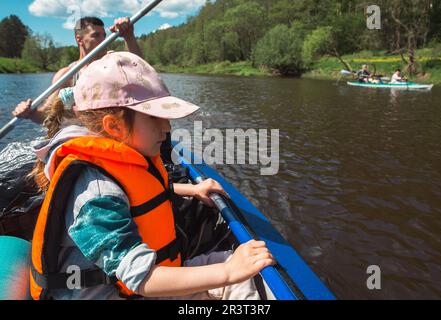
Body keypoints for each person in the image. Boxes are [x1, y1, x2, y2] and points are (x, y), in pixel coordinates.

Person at [29, 51, 274, 300]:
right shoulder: (96, 194)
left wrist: (191, 190)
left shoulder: (124, 158)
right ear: (114, 126)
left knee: (247, 271)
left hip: (138, 286)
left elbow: (141, 194)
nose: (167, 127)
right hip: (125, 292)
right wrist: (227, 272)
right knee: (236, 271)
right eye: (154, 118)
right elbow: (140, 277)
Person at [12, 16, 142, 123]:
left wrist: (129, 37)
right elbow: (47, 114)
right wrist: (30, 113)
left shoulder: (114, 61)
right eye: (96, 35)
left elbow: (140, 70)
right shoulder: (67, 75)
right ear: (79, 39)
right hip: (82, 138)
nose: (104, 40)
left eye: (104, 35)